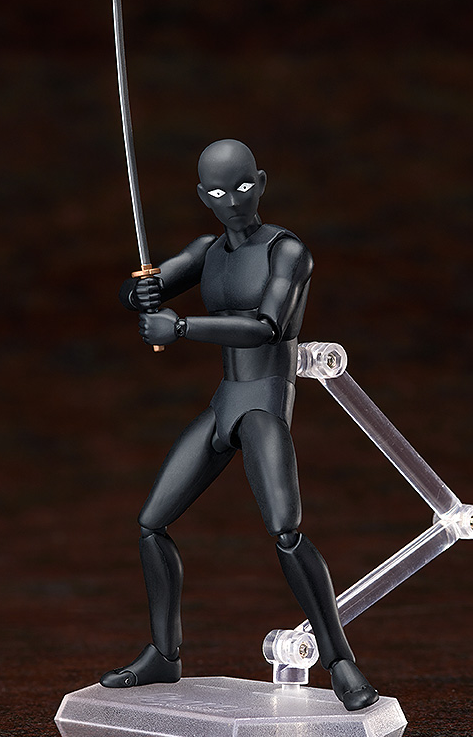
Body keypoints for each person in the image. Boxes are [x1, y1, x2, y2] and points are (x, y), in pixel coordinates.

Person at [100, 139, 379, 711]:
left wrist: (181, 329)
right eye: (219, 192)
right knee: (151, 523)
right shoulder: (207, 251)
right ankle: (165, 654)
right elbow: (144, 287)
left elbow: (266, 327)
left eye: (244, 187)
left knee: (286, 531)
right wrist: (138, 291)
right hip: (225, 400)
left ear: (262, 182)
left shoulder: (287, 251)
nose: (233, 201)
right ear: (203, 197)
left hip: (264, 402)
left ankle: (340, 662)